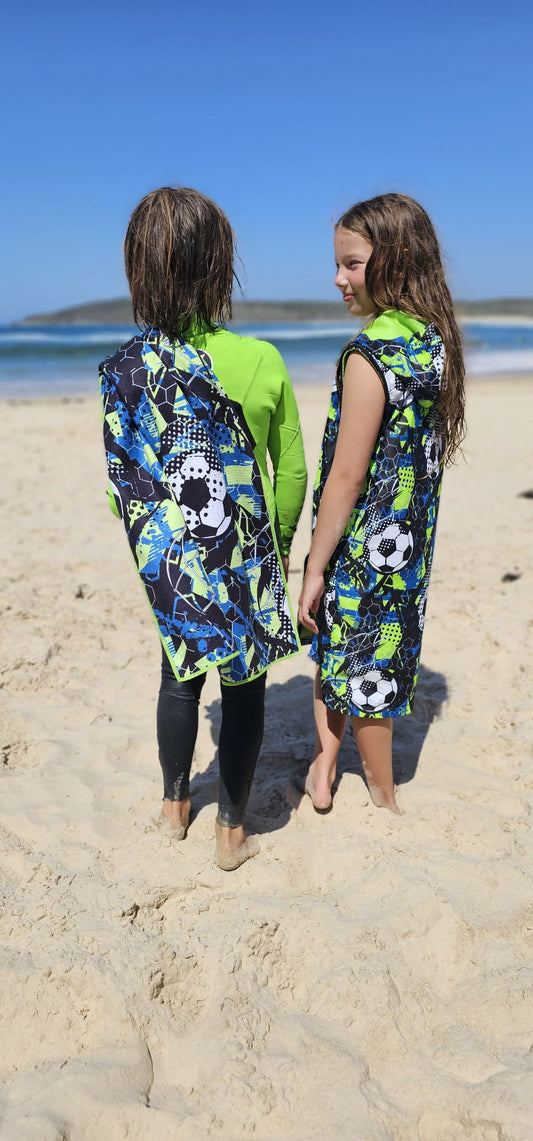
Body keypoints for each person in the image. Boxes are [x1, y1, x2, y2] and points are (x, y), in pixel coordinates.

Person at [100, 187, 307, 869]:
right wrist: (273, 547)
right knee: (244, 689)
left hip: (173, 562)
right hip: (245, 556)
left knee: (177, 676)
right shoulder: (260, 359)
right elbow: (290, 473)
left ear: (138, 269)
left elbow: (123, 490)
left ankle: (173, 805)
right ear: (220, 266)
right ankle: (232, 831)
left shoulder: (126, 371)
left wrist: (165, 542)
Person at [298, 193, 465, 814]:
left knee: (361, 663)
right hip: (409, 539)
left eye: (352, 264)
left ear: (396, 259)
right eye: (338, 264)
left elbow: (346, 476)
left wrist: (315, 565)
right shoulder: (433, 341)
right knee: (351, 648)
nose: (339, 279)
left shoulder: (371, 355)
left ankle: (383, 794)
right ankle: (323, 766)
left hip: (365, 538)